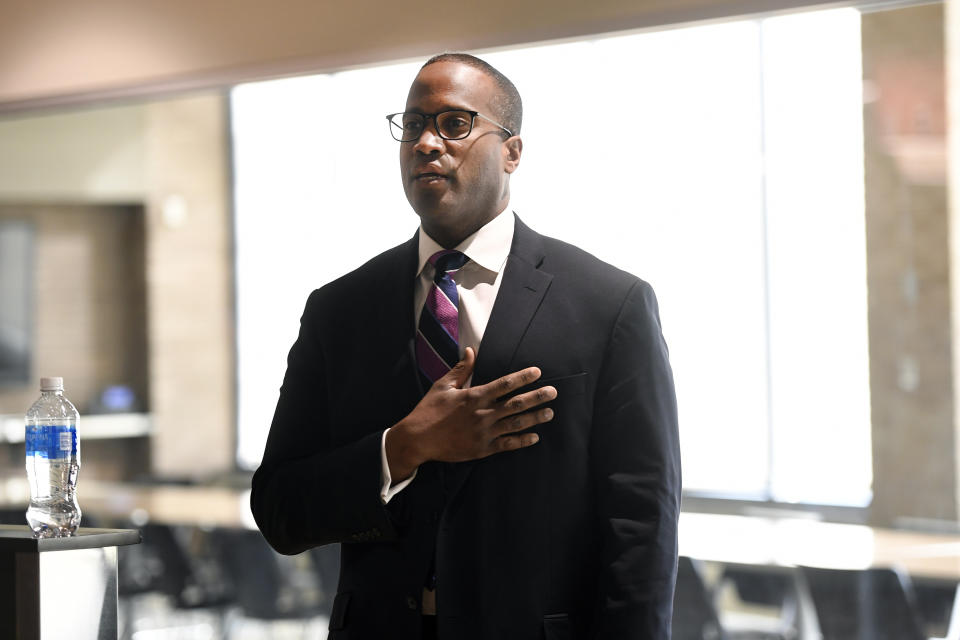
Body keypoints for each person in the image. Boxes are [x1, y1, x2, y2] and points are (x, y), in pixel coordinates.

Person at [251, 52, 681, 640]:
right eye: (413, 123)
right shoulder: (339, 311)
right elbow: (279, 509)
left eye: (454, 124)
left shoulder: (610, 305)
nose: (427, 143)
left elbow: (641, 526)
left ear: (513, 151)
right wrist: (401, 448)